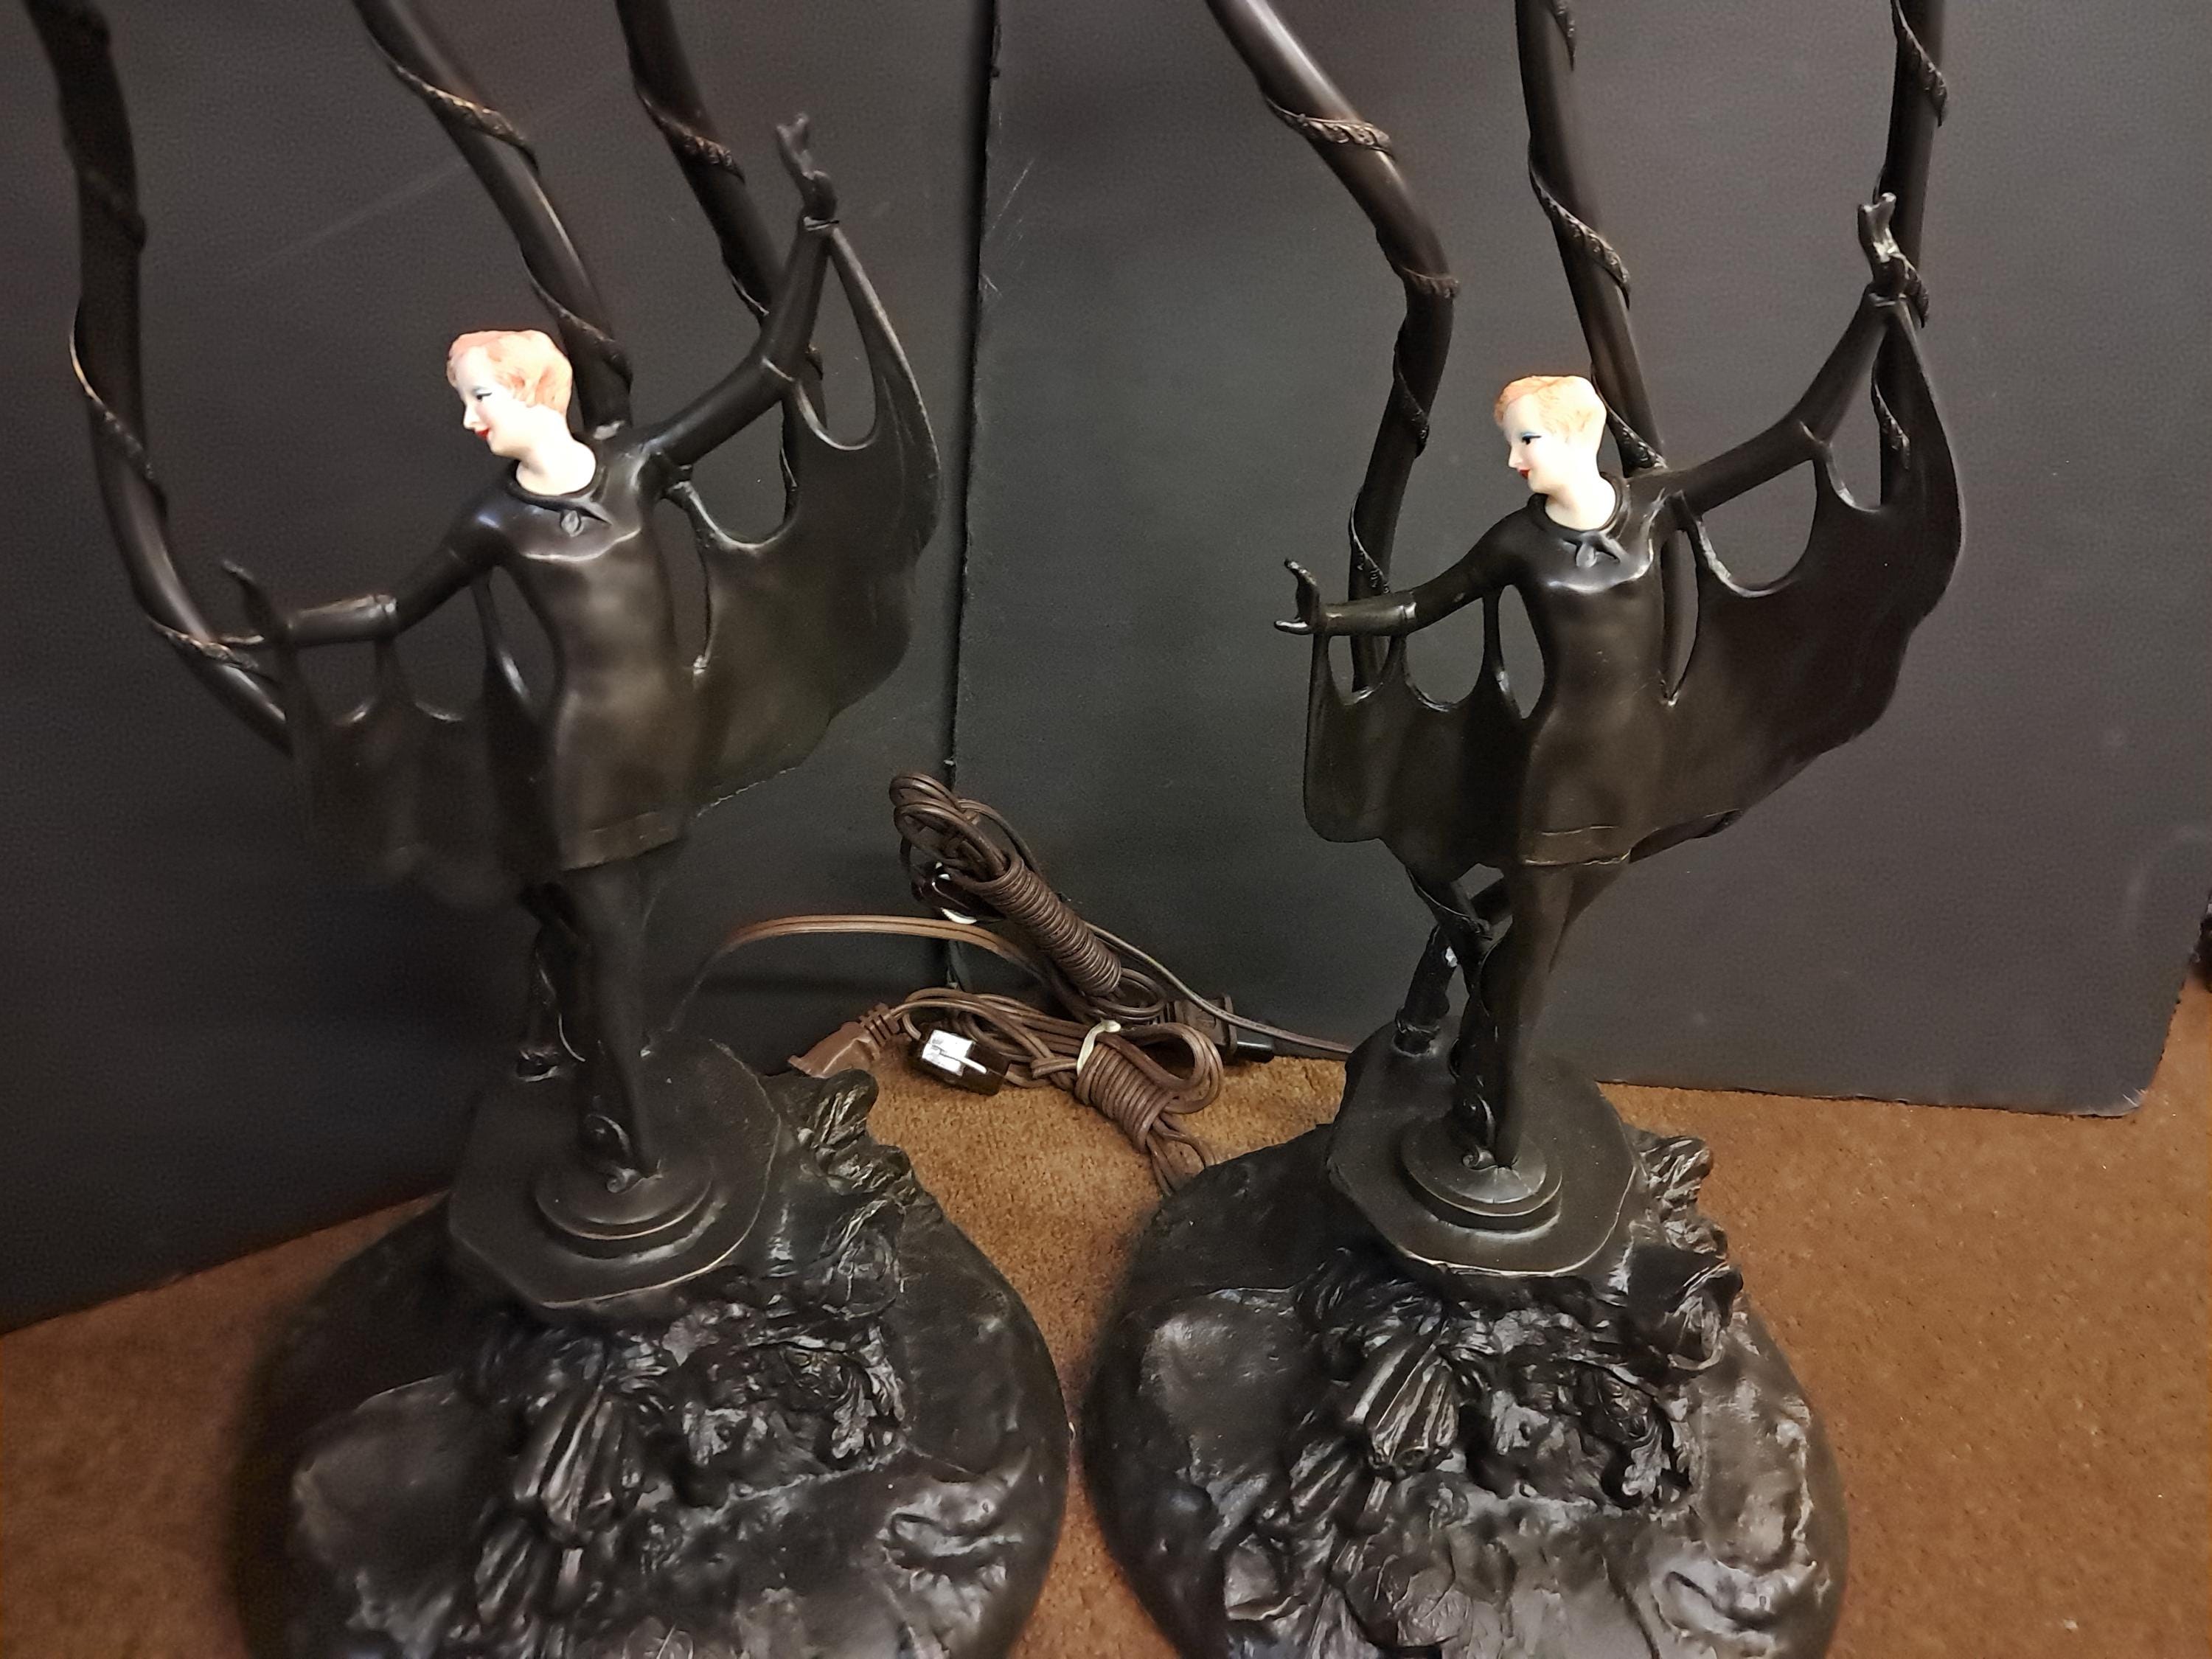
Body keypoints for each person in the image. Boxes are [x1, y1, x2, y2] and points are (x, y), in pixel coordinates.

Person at [219, 128, 841, 1189]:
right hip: (583, 762)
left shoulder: (636, 468)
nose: (469, 421)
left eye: (481, 397)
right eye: (465, 401)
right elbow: (397, 605)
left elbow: (771, 371)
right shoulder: (494, 522)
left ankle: (560, 1044)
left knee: (608, 933)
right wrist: (285, 632)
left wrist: (816, 228)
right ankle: (631, 1140)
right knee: (615, 951)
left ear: (534, 391)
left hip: (670, 744)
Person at [1279, 235, 1942, 1180]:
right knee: (1533, 957)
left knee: (1527, 938)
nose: (1513, 460)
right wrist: (1333, 619)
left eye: (1527, 440)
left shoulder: (1653, 507)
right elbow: (1423, 603)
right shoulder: (1516, 543)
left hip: (1645, 768)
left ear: (1581, 435)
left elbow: (1798, 435)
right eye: (1511, 442)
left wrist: (1875, 310)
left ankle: (1472, 1045)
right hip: (1554, 778)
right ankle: (1497, 1124)